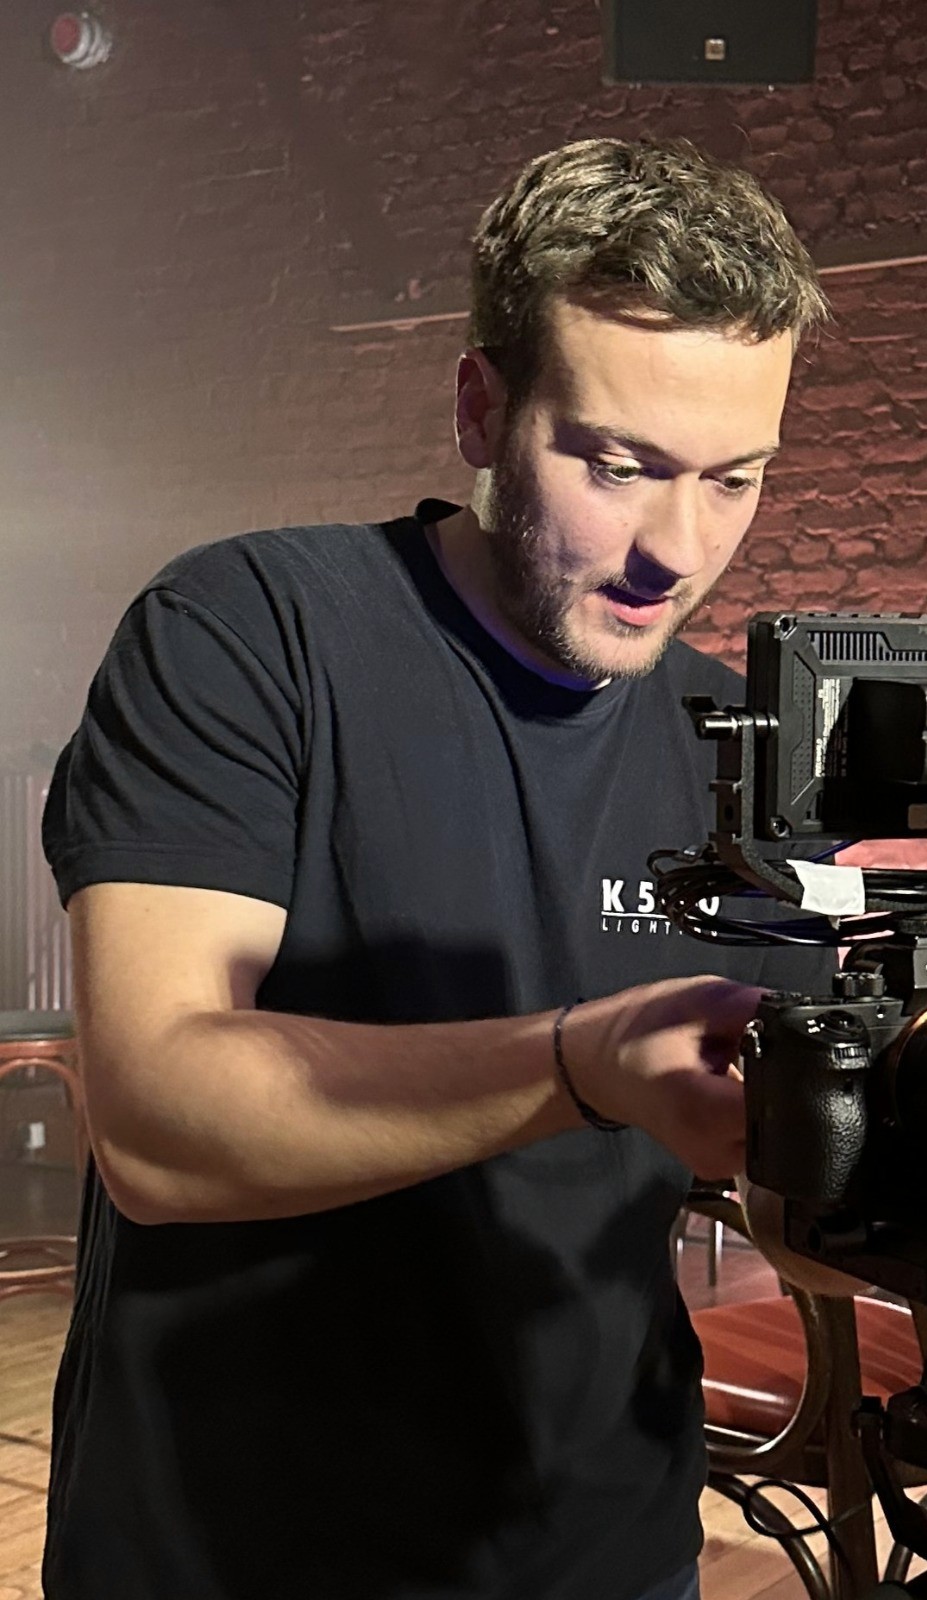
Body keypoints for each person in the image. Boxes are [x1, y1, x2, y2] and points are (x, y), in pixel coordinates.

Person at [42, 136, 834, 1600]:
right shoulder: (251, 631)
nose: (675, 549)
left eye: (735, 480)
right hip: (232, 1561)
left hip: (608, 1555)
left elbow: (793, 1204)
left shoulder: (743, 743)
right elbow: (155, 1124)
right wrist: (585, 1062)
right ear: (480, 406)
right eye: (619, 467)